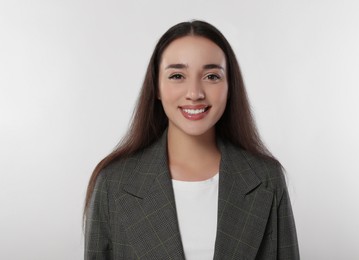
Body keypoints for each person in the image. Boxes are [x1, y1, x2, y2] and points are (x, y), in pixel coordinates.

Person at [84, 20, 299, 260]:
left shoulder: (266, 179)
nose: (195, 93)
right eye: (177, 75)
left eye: (211, 76)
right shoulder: (114, 183)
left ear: (230, 86)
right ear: (156, 86)